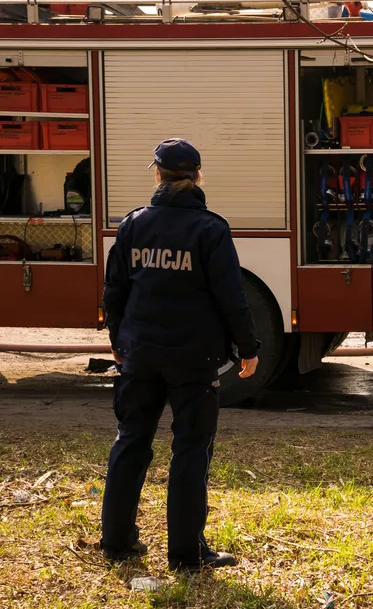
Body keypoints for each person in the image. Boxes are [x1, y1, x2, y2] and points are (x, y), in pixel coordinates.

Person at [100, 138, 260, 572]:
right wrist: (249, 349)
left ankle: (116, 541)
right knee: (191, 449)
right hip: (194, 359)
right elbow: (232, 297)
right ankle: (187, 555)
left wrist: (119, 341)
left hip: (140, 354)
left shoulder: (133, 225)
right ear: (197, 177)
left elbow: (114, 289)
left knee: (131, 440)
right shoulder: (210, 229)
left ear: (157, 173)